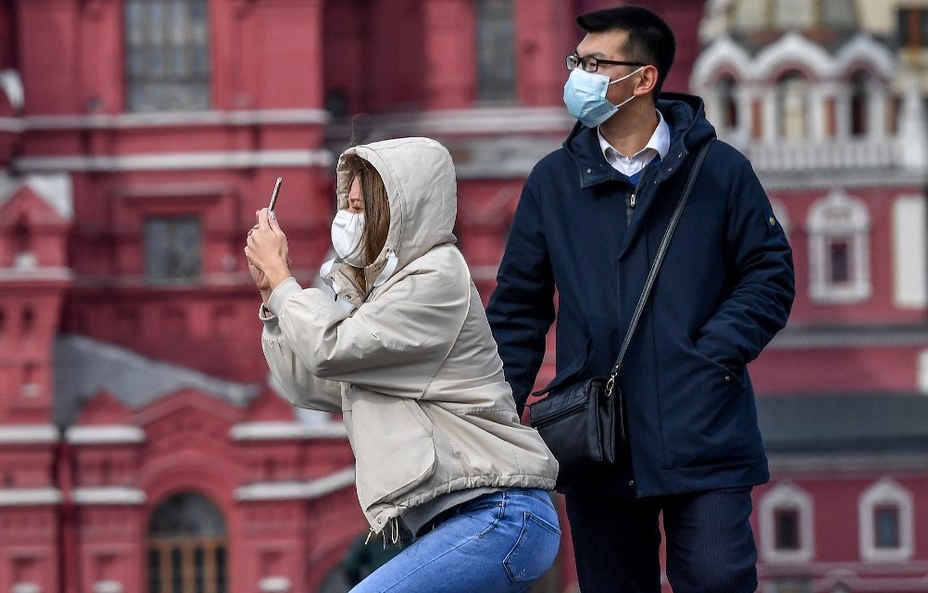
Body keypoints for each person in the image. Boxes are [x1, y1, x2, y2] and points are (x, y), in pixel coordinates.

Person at [486, 6, 795, 593]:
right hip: (595, 438)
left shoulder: (719, 171)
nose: (579, 74)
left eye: (596, 63)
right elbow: (519, 308)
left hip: (703, 428)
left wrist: (713, 356)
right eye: (577, 61)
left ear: (644, 78)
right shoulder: (553, 181)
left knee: (718, 578)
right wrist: (497, 412)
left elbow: (769, 273)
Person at [244, 136, 560, 593]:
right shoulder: (381, 296)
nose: (348, 220)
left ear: (399, 212)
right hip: (455, 524)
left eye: (361, 207)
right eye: (346, 206)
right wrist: (273, 301)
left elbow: (331, 348)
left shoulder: (436, 276)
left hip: (497, 515)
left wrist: (284, 281)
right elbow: (312, 384)